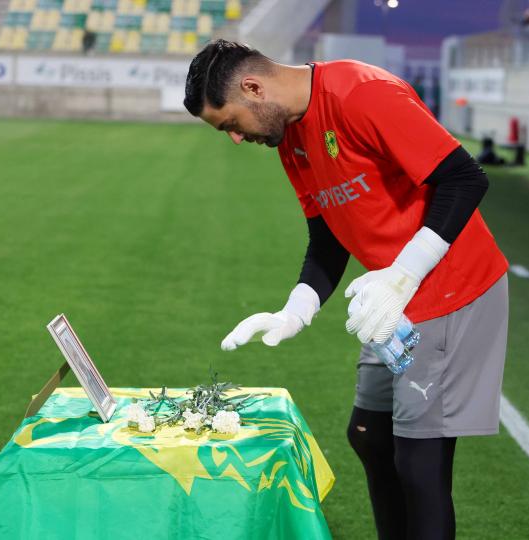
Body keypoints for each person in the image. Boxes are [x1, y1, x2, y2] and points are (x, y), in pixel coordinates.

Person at [183, 39, 509, 540]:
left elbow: (465, 179)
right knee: (370, 436)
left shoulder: (362, 93)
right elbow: (327, 235)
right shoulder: (289, 136)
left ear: (253, 88)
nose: (235, 138)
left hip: (451, 288)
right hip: (392, 300)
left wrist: (402, 275)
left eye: (231, 123)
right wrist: (295, 310)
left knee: (420, 460)